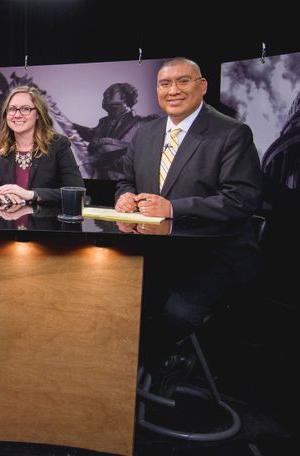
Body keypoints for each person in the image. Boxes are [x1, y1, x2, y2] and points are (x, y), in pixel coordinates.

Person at [114, 57, 262, 396]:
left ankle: (147, 378)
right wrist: (126, 197)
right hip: (160, 252)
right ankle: (135, 380)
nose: (173, 90)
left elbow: (242, 200)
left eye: (183, 81)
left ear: (202, 86)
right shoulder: (146, 132)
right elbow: (125, 181)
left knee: (174, 314)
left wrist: (173, 208)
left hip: (216, 255)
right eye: (165, 84)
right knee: (114, 297)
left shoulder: (232, 133)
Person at [0, 86, 84, 206]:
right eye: (12, 109)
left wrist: (31, 194)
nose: (17, 115)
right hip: (6, 221)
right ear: (6, 114)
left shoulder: (58, 145)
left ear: (38, 114)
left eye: (25, 109)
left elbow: (76, 191)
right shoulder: (0, 146)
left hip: (44, 222)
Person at [73, 83, 149, 180]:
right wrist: (61, 120)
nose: (105, 94)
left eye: (111, 92)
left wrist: (106, 159)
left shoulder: (141, 123)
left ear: (124, 97)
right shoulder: (104, 122)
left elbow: (140, 157)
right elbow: (89, 134)